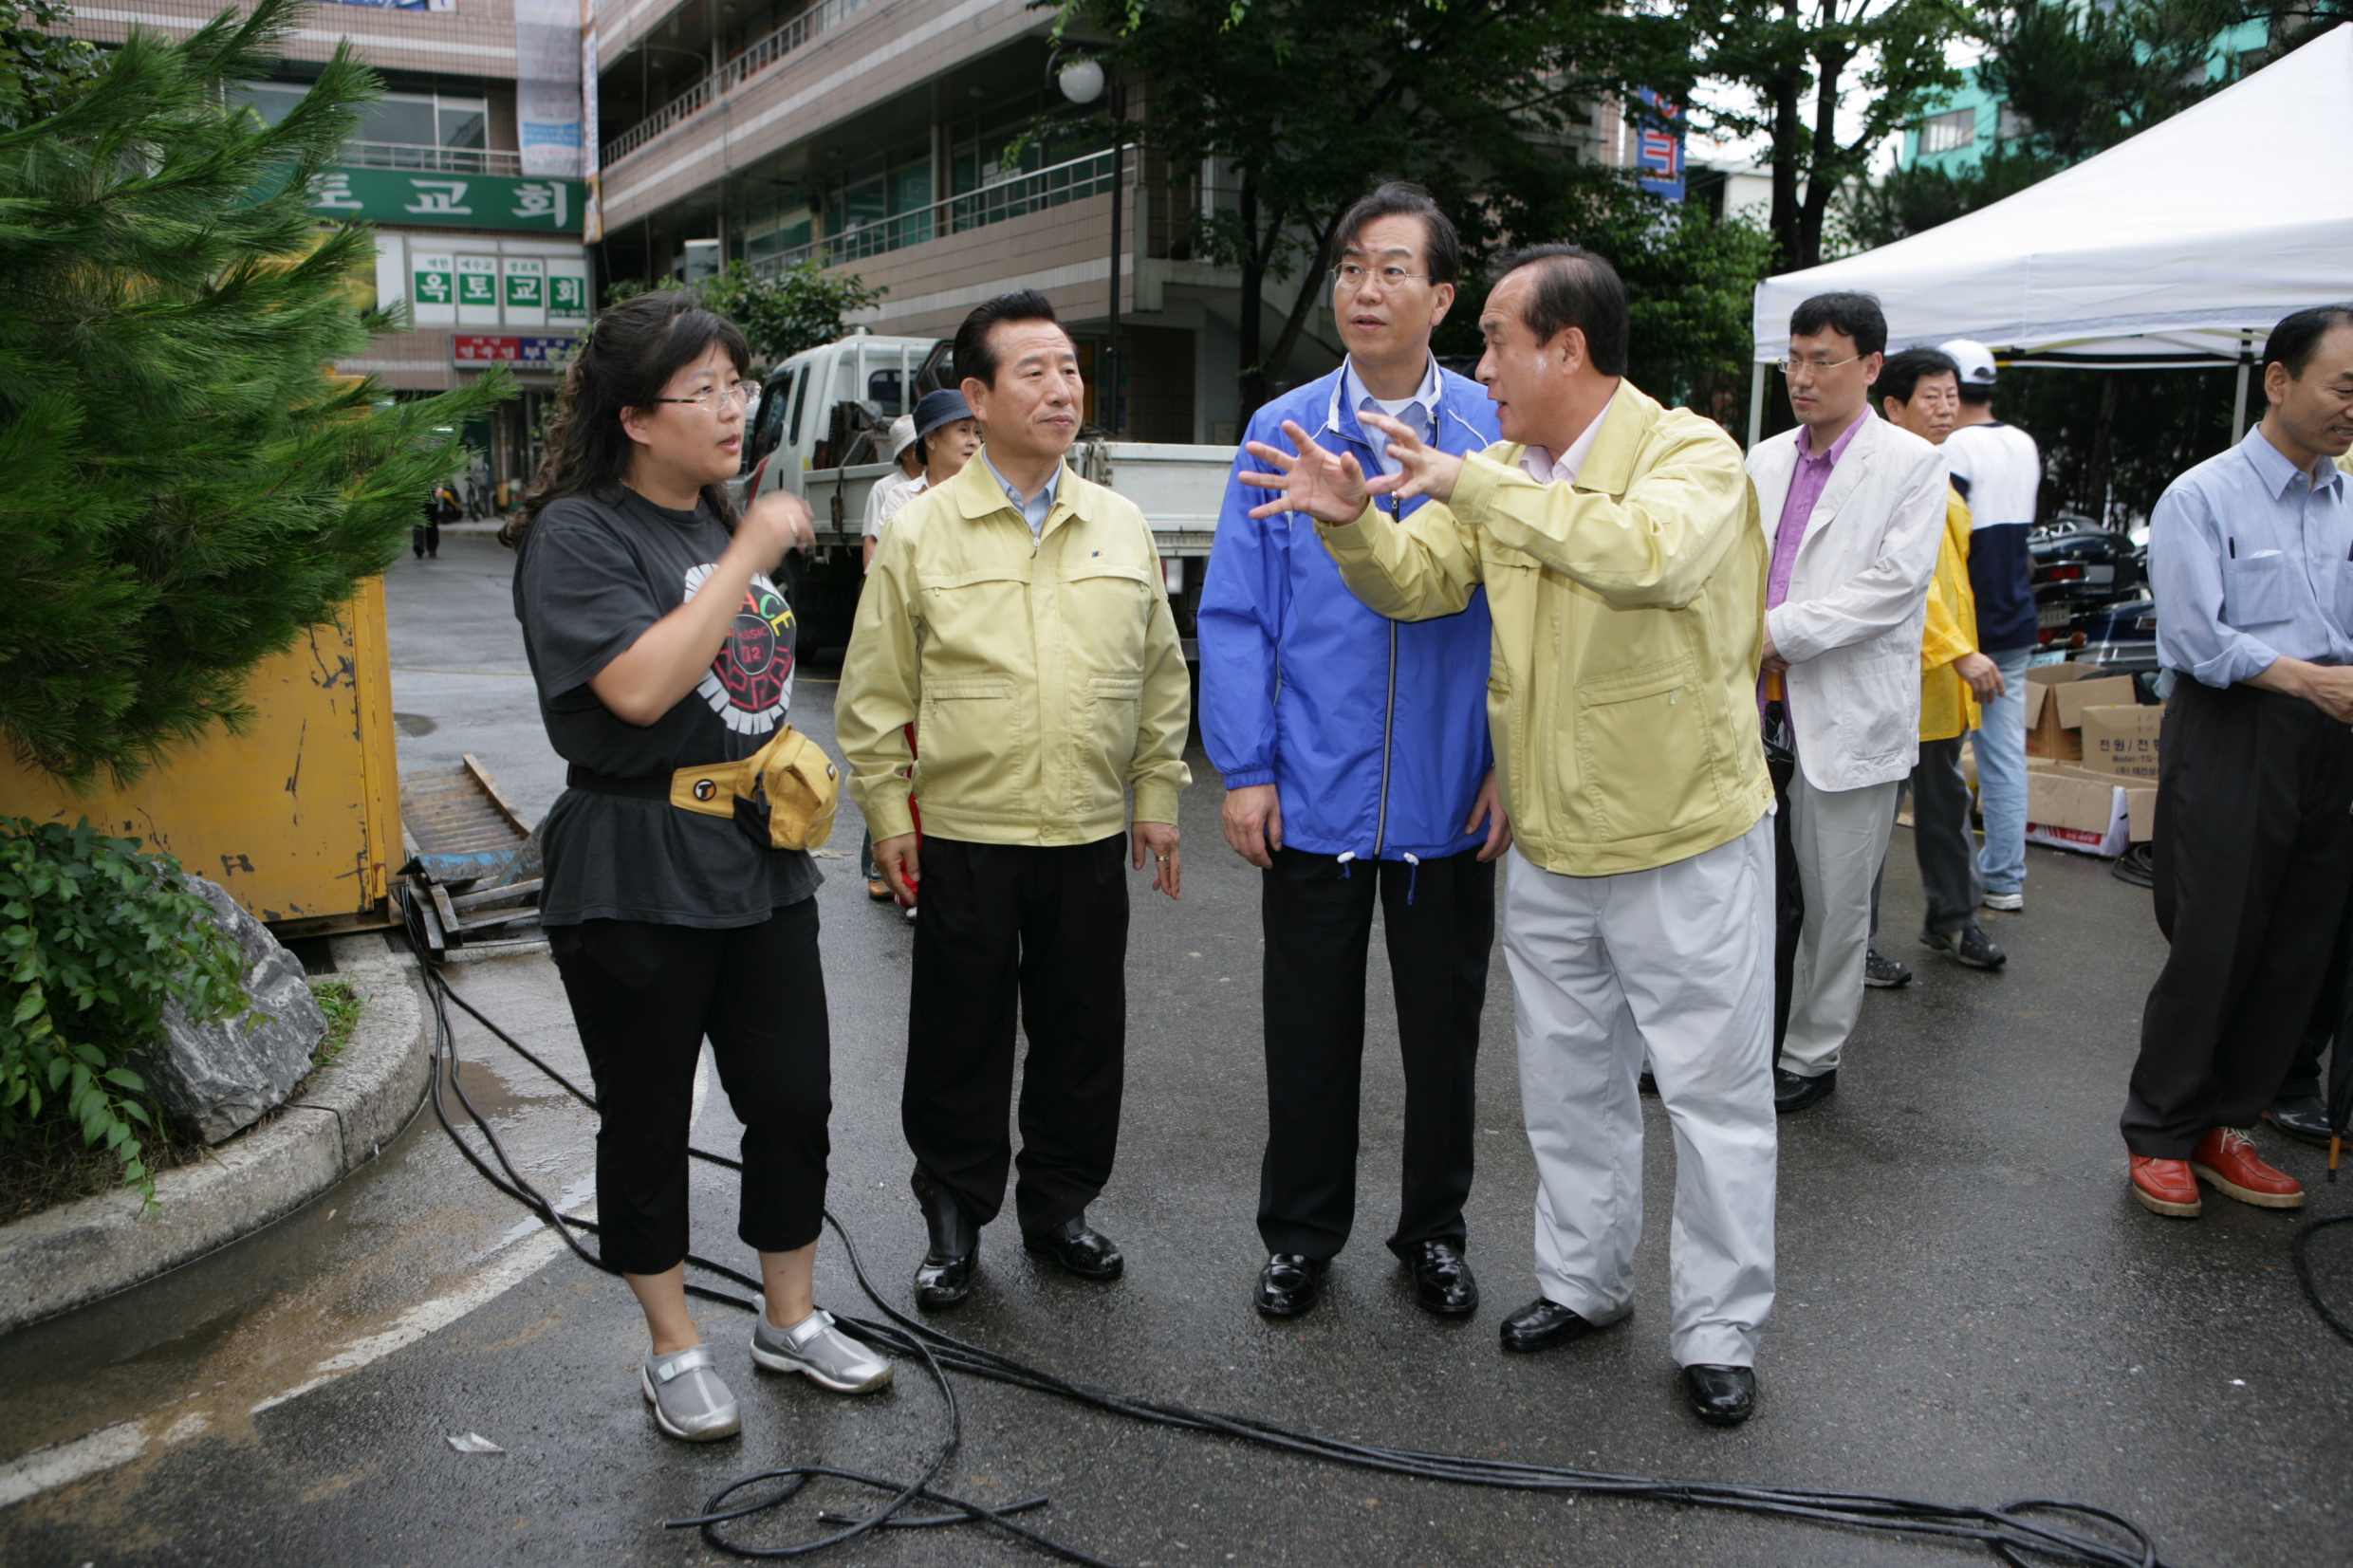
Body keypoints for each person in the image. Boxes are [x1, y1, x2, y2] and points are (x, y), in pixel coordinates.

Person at [1242, 245, 1777, 1428]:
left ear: (1565, 350)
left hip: (1679, 836)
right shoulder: (1502, 466)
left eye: (1493, 341)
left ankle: (1717, 1330)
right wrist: (1353, 525)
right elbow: (1420, 582)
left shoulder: (1689, 454)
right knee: (1569, 1085)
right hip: (1548, 840)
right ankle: (1583, 1284)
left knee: (1710, 1099)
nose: (1479, 368)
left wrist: (1473, 489)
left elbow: (1644, 559)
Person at [509, 289, 893, 1444]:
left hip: (756, 857)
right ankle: (674, 1346)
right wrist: (751, 551)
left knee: (791, 1099)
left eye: (739, 385)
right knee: (647, 1114)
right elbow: (636, 688)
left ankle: (790, 1319)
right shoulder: (580, 534)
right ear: (635, 417)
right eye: (705, 390)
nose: (733, 409)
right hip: (634, 865)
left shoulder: (711, 520)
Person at [837, 289, 1192, 1310]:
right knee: (961, 1039)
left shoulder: (1119, 525)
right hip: (966, 834)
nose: (1060, 389)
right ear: (978, 398)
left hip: (1085, 831)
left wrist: (1156, 796)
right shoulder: (922, 532)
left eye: (1069, 369)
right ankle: (953, 1219)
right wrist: (890, 819)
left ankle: (1060, 1208)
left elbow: (1161, 675)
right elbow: (873, 693)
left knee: (1082, 1035)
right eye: (1032, 371)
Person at [1198, 183, 1506, 1322]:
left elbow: (1526, 619)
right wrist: (1246, 768)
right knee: (1307, 1030)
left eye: (1390, 269)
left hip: (1448, 791)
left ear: (1442, 297)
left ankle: (1433, 1233)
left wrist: (1507, 763)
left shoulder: (1489, 431)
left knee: (1443, 1037)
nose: (1362, 289)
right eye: (1347, 267)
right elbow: (1237, 615)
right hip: (1311, 785)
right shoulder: (1281, 428)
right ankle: (1299, 1234)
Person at [2121, 303, 2353, 1220]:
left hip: (2330, 737)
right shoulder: (2202, 495)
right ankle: (2160, 1129)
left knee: (2299, 942)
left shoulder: (2345, 498)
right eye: (2344, 387)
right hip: (2235, 723)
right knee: (2216, 939)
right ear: (2280, 381)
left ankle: (2227, 1124)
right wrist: (2310, 681)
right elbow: (2194, 636)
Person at [1747, 294, 1947, 1114]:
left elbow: (1892, 589)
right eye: (1793, 359)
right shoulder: (1764, 459)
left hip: (1844, 709)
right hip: (1756, 706)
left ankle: (1811, 1051)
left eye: (1822, 360)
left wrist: (1774, 632)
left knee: (1835, 901)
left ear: (1870, 366)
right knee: (1745, 895)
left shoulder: (1913, 464)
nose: (1802, 377)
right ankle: (1735, 1044)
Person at [1865, 347, 2009, 981]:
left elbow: (1951, 581)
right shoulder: (1883, 474)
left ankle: (1953, 919)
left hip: (1942, 684)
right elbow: (1905, 586)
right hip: (1895, 677)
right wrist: (1959, 651)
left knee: (1946, 808)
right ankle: (1853, 942)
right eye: (1932, 396)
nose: (1947, 407)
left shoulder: (1938, 471)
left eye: (1952, 394)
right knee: (1869, 822)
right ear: (1894, 406)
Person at [859, 388, 979, 905]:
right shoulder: (900, 499)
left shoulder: (991, 495)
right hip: (912, 641)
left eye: (977, 431)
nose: (973, 441)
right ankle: (896, 869)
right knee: (901, 757)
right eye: (962, 431)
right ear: (930, 439)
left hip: (963, 650)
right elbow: (884, 574)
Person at [1938, 340, 2042, 914]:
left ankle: (1955, 882)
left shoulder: (1954, 447)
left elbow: (1948, 540)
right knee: (2004, 756)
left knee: (1936, 759)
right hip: (2016, 620)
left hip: (1968, 628)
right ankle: (2005, 877)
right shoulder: (2023, 442)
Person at [862, 414, 922, 573]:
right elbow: (872, 541)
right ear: (904, 454)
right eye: (918, 444)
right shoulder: (883, 488)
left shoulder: (938, 481)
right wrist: (872, 583)